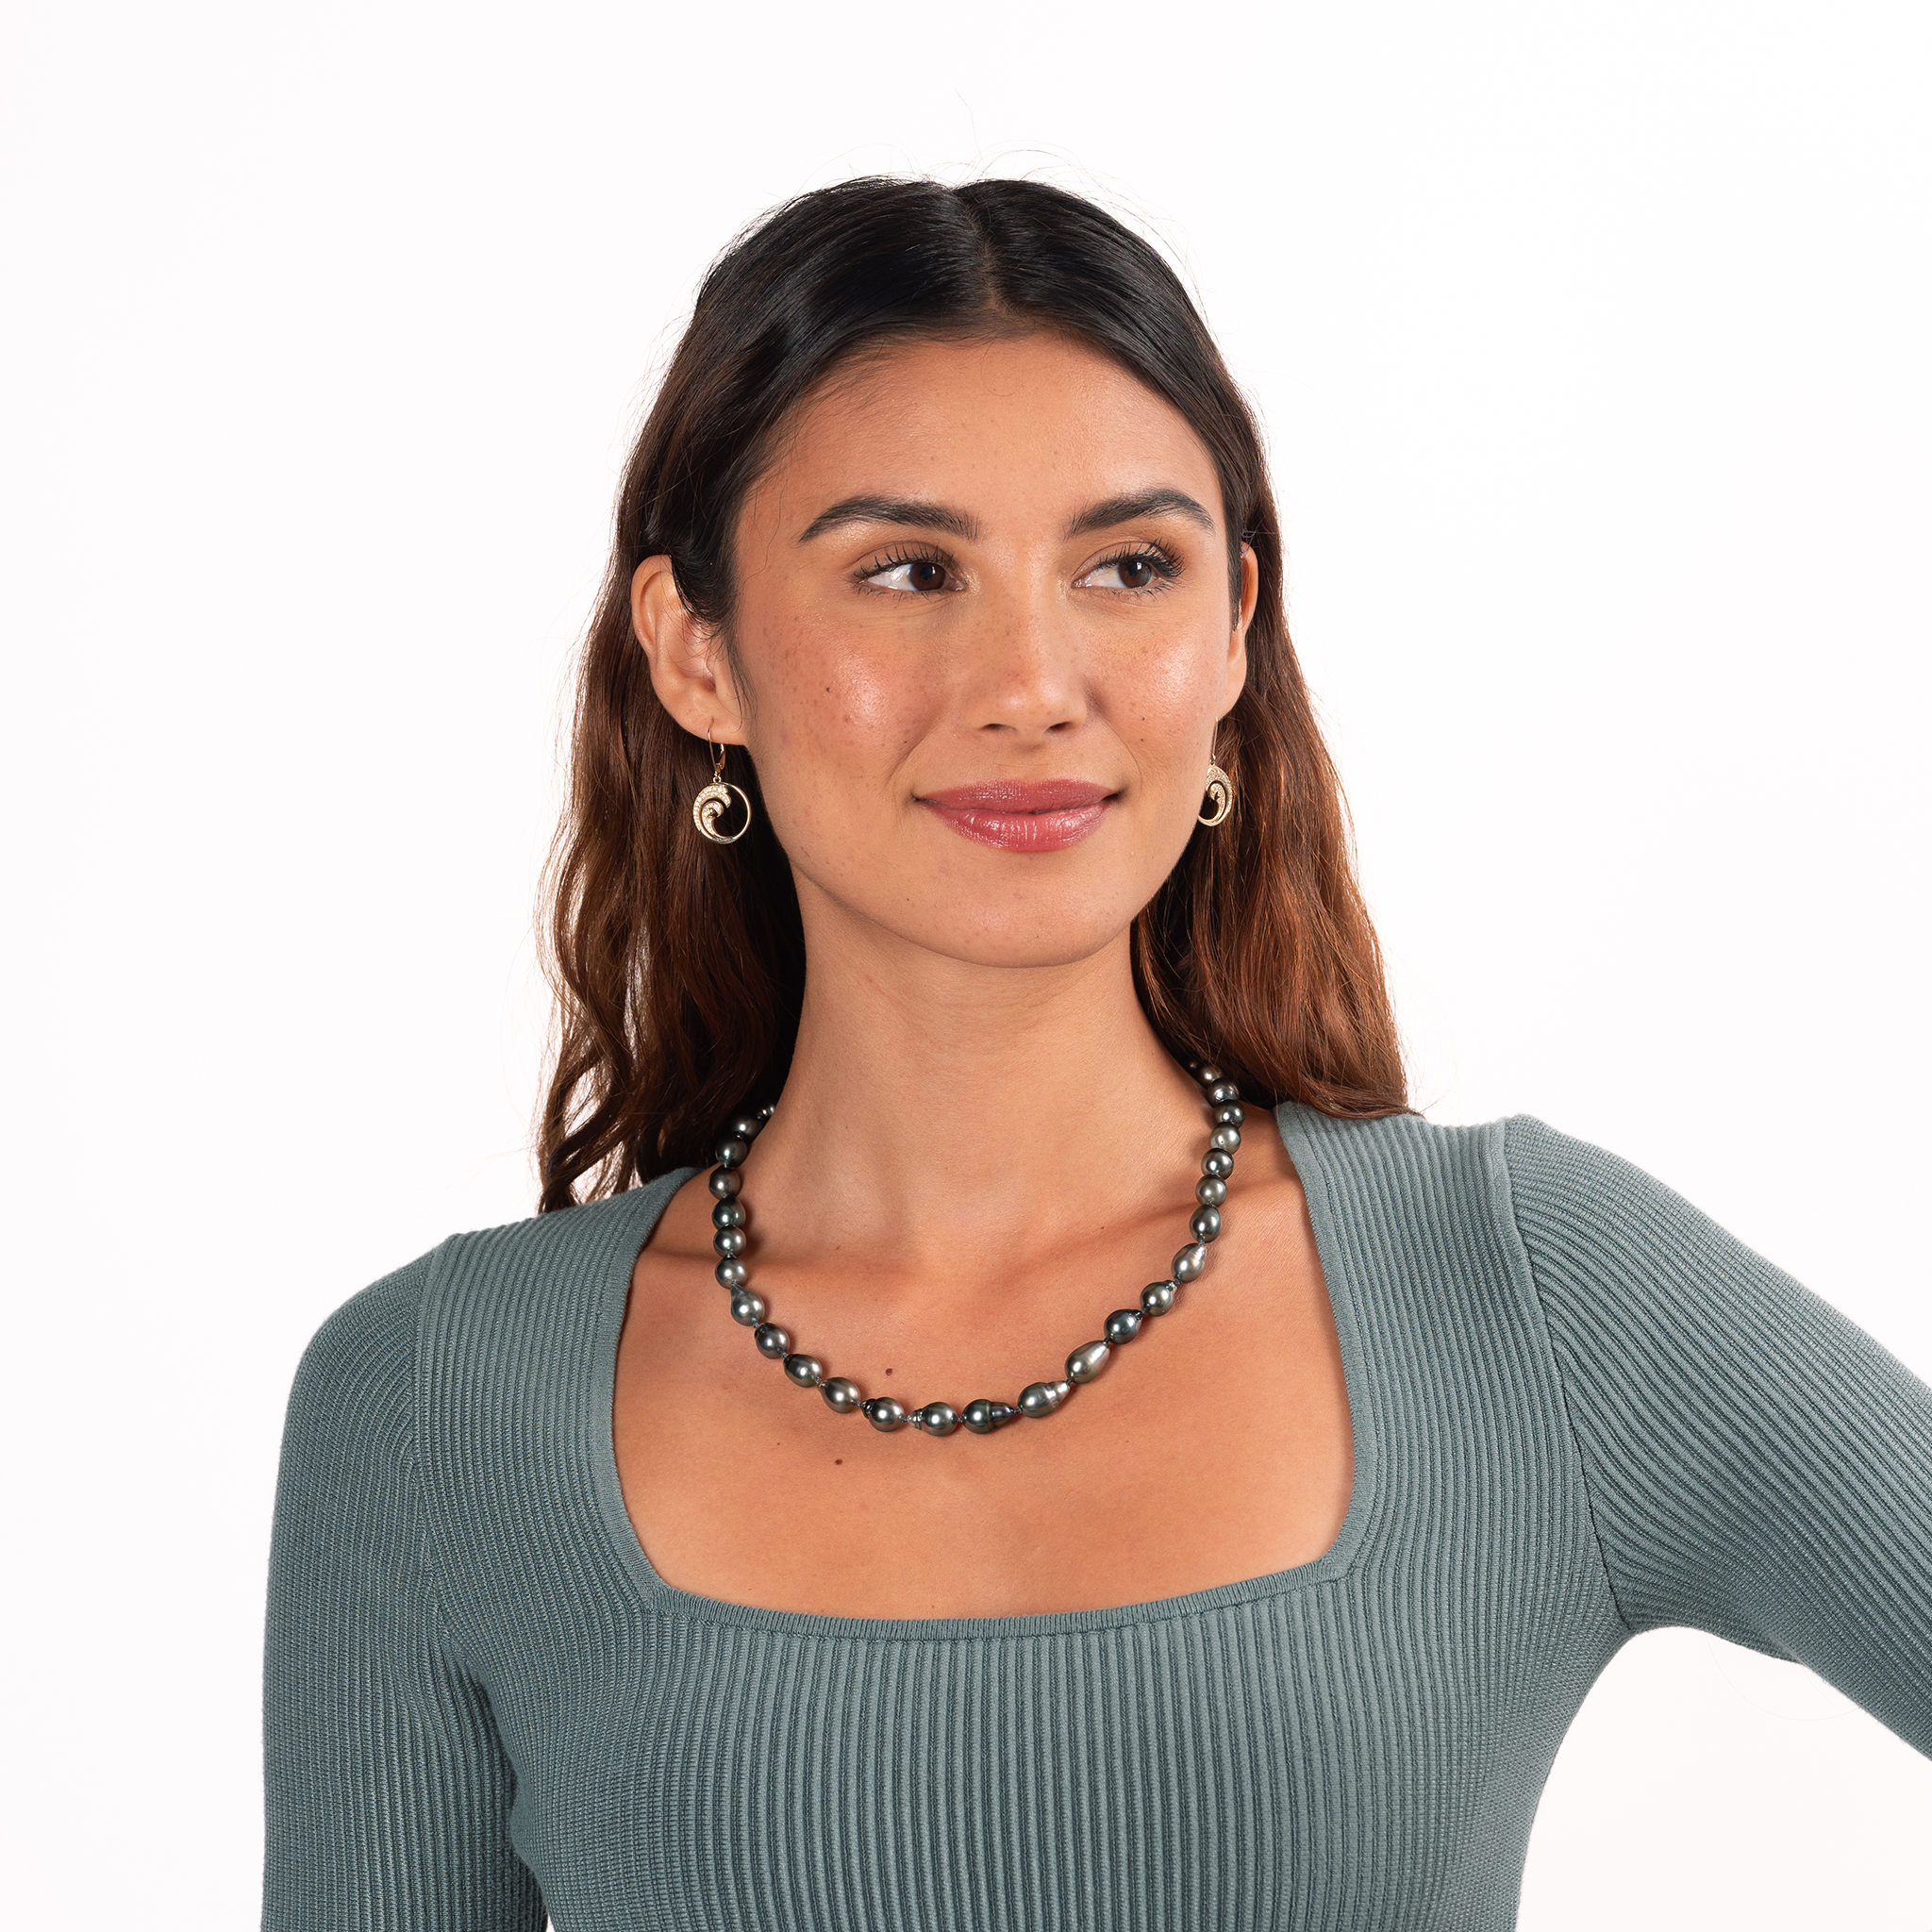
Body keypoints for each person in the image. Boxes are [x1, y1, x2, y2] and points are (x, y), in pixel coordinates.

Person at [259, 176, 1932, 1930]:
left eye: (1128, 567)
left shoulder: (1538, 1294)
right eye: (910, 572)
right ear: (697, 650)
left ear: (1231, 632)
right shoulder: (432, 1405)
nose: (1033, 678)